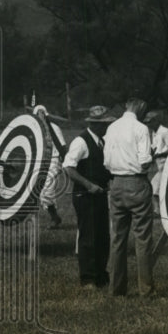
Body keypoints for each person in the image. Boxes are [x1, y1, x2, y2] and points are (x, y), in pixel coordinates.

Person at [103, 98, 158, 297]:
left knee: (117, 238)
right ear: (141, 108)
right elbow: (144, 163)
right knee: (142, 238)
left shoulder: (111, 128)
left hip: (116, 184)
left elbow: (107, 161)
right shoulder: (141, 128)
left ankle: (116, 290)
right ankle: (146, 290)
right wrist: (151, 155)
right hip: (136, 183)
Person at [63, 105, 114, 289]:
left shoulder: (102, 140)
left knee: (103, 236)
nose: (107, 127)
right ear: (94, 124)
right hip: (85, 196)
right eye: (104, 124)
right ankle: (88, 279)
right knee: (88, 236)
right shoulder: (81, 142)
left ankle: (101, 275)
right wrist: (89, 185)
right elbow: (68, 167)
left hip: (100, 195)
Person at [33, 106, 64, 229]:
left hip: (53, 161)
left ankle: (54, 218)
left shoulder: (55, 128)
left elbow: (62, 146)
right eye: (38, 114)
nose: (40, 116)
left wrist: (62, 162)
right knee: (38, 192)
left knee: (47, 192)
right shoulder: (34, 129)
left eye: (42, 114)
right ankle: (55, 218)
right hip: (39, 162)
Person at [145, 111, 168, 202]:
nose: (148, 124)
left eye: (150, 122)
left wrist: (160, 154)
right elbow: (155, 148)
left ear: (156, 121)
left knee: (155, 189)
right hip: (160, 167)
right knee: (156, 190)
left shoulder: (165, 132)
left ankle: (158, 211)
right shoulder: (154, 133)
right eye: (147, 122)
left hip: (167, 166)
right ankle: (159, 211)